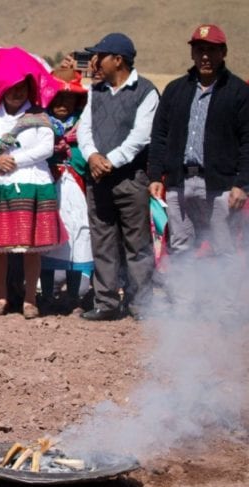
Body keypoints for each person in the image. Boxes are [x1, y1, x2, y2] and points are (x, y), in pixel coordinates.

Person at [0, 47, 65, 319]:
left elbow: (46, 147)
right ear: (2, 89)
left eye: (22, 87)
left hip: (30, 182)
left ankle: (30, 298)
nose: (17, 92)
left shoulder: (38, 116)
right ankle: (0, 297)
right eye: (12, 87)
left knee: (29, 246)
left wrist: (15, 160)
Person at [148, 25, 249, 266]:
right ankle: (185, 304)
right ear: (192, 54)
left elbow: (248, 141)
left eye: (212, 50)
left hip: (220, 186)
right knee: (181, 249)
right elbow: (160, 135)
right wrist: (154, 175)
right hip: (178, 184)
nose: (205, 56)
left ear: (223, 52)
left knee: (224, 250)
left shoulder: (238, 92)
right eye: (200, 50)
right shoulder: (175, 90)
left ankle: (224, 305)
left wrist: (242, 184)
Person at [77, 33, 159, 321]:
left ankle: (141, 305)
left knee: (137, 243)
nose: (95, 61)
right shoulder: (94, 91)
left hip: (129, 180)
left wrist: (108, 161)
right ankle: (106, 303)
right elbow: (83, 129)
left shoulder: (146, 91)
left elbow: (140, 137)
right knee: (103, 240)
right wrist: (92, 157)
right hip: (98, 178)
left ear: (118, 60)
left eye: (100, 56)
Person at [39, 67, 94, 313]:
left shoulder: (84, 126)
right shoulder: (40, 123)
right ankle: (48, 295)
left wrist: (72, 152)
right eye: (58, 98)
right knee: (49, 237)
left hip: (75, 187)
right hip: (49, 187)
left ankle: (74, 297)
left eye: (68, 98)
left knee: (78, 236)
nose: (62, 103)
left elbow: (89, 154)